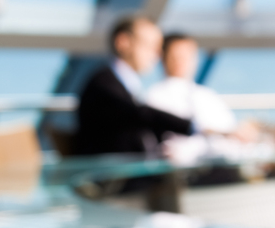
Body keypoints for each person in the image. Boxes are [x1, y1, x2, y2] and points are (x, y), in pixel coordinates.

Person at [74, 16, 192, 156]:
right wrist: (192, 127)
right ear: (123, 42)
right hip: (112, 172)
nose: (157, 55)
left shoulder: (123, 84)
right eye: (150, 46)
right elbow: (138, 114)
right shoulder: (104, 84)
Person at [145, 33, 237, 135]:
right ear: (163, 59)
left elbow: (230, 130)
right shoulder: (156, 96)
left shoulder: (207, 95)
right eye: (175, 56)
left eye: (186, 56)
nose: (180, 62)